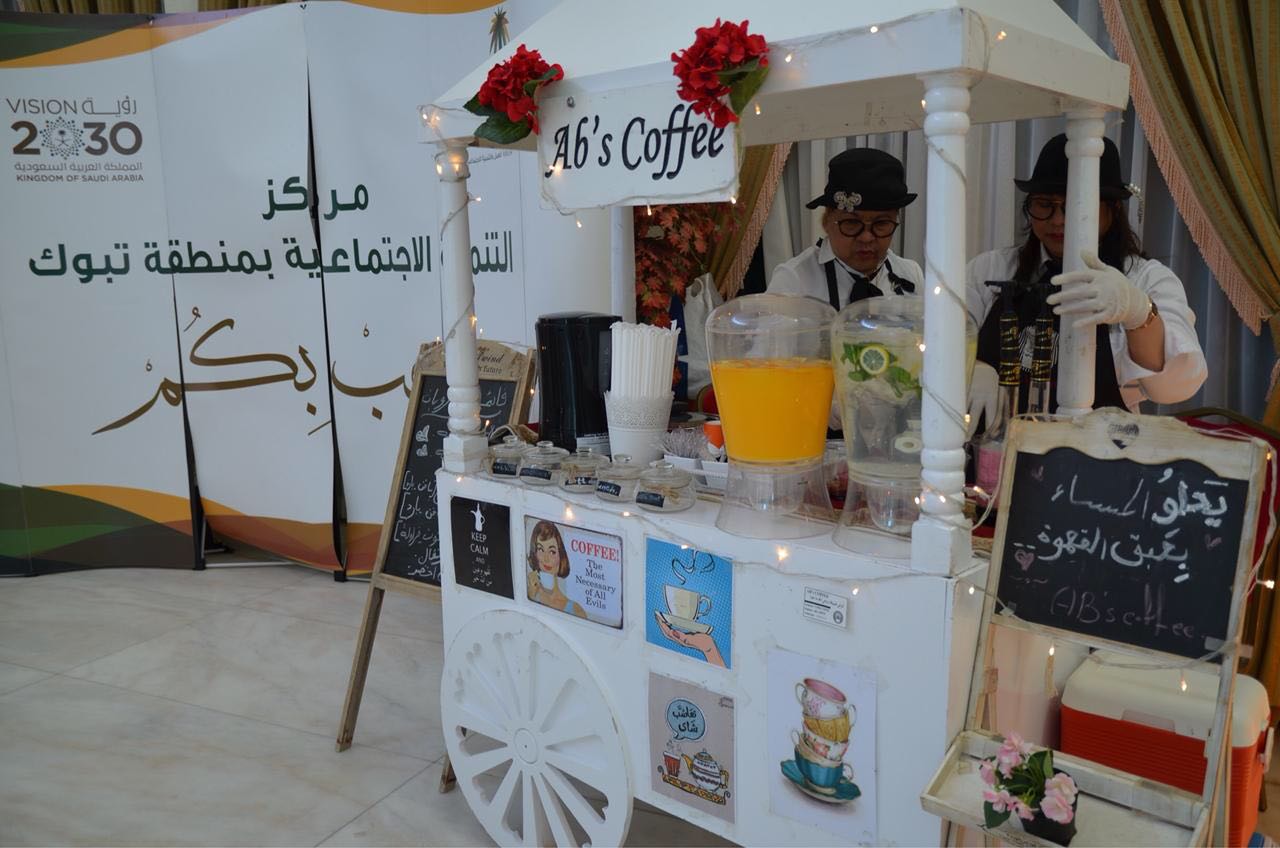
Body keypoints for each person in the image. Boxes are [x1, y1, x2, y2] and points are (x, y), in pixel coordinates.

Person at [966, 133, 1206, 425]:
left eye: (1076, 205)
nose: (1058, 220)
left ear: (1112, 210)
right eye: (1044, 204)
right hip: (995, 442)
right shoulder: (990, 269)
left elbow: (1175, 388)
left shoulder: (1147, 278)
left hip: (1101, 445)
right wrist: (972, 366)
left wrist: (1139, 313)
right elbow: (938, 340)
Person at [769, 148, 924, 309]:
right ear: (827, 222)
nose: (866, 238)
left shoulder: (911, 273)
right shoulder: (793, 282)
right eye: (852, 223)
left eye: (881, 224)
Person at [526, 520, 586, 619]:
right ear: (535, 553)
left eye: (552, 552)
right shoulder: (528, 594)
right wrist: (530, 594)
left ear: (560, 555)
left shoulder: (576, 610)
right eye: (541, 549)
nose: (546, 558)